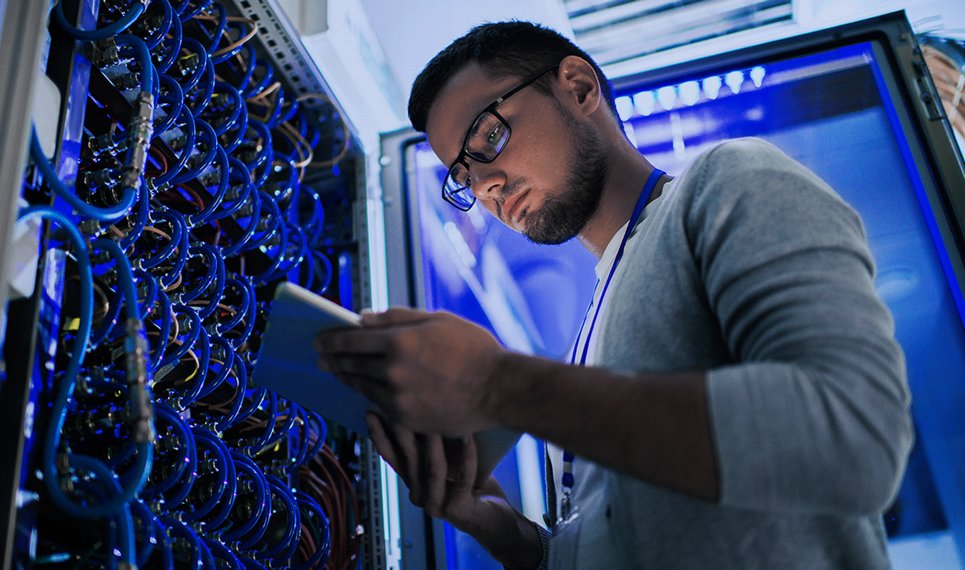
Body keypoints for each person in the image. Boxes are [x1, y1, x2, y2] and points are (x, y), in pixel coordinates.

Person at [315, 21, 913, 569]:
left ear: (577, 87)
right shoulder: (588, 335)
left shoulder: (729, 182)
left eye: (488, 137)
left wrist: (498, 384)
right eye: (464, 178)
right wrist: (494, 525)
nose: (488, 186)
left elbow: (853, 435)